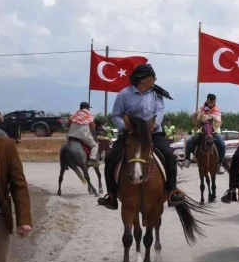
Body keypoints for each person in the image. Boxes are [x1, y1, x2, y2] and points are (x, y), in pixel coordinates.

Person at [97, 64, 185, 209]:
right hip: (130, 134)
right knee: (110, 158)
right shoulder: (124, 94)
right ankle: (111, 196)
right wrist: (126, 127)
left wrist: (153, 126)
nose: (155, 79)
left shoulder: (157, 94)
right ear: (143, 79)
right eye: (153, 77)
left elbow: (159, 112)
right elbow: (116, 115)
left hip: (152, 133)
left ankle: (172, 191)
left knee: (169, 156)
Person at [183, 94, 226, 174]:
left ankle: (220, 164)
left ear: (215, 102)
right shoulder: (201, 109)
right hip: (202, 131)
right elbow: (197, 123)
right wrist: (195, 117)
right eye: (209, 102)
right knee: (189, 142)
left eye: (212, 102)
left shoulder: (217, 110)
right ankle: (187, 159)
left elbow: (218, 123)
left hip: (214, 132)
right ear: (207, 100)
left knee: (222, 145)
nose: (211, 104)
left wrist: (209, 119)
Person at [63, 102, 100, 168]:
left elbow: (67, 125)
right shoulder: (88, 114)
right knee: (95, 145)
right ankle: (92, 159)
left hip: (72, 135)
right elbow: (92, 127)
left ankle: (64, 162)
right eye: (88, 108)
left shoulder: (74, 114)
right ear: (86, 108)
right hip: (83, 136)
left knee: (65, 146)